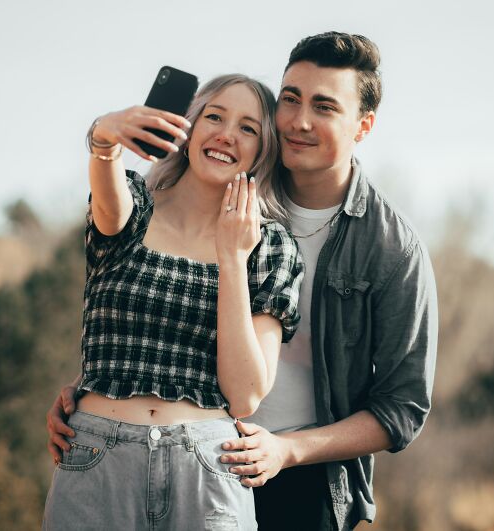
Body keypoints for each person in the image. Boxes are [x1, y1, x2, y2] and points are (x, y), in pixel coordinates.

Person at [48, 33, 438, 530]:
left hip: (297, 473)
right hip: (184, 449)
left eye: (323, 106)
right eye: (291, 99)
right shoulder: (182, 199)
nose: (299, 120)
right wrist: (92, 398)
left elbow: (402, 408)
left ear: (363, 126)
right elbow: (136, 293)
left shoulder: (386, 247)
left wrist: (288, 449)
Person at [42, 74, 304, 531]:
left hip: (207, 468)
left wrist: (233, 258)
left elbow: (244, 395)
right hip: (96, 458)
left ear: (263, 150)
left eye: (248, 128)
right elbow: (108, 205)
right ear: (188, 127)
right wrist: (104, 137)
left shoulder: (269, 245)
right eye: (215, 117)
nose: (226, 134)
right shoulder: (134, 204)